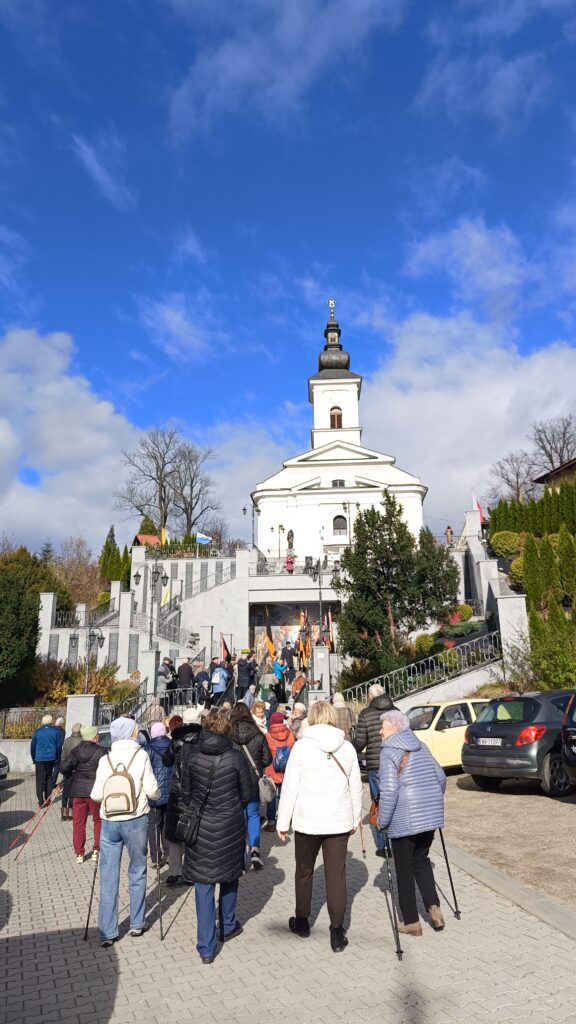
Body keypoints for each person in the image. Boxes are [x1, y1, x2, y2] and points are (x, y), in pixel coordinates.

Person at [277, 701, 362, 953]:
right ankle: (336, 932)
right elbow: (355, 786)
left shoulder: (301, 747)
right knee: (336, 877)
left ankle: (302, 922)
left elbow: (290, 787)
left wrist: (283, 822)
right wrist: (356, 817)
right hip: (338, 820)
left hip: (307, 820)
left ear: (312, 719)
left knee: (304, 872)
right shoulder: (346, 748)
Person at [180, 710, 253, 963]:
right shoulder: (235, 757)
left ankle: (206, 946)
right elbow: (247, 793)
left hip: (201, 825)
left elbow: (186, 794)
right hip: (229, 825)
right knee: (230, 875)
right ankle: (228, 924)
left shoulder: (192, 755)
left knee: (203, 883)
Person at [91, 717, 160, 948]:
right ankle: (137, 923)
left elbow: (96, 795)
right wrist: (157, 797)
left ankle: (107, 931)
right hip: (136, 818)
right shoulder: (141, 756)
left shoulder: (105, 759)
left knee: (108, 875)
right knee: (137, 870)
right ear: (131, 733)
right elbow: (151, 789)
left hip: (109, 820)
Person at [377, 709, 447, 936]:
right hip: (429, 815)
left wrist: (382, 821)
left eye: (383, 727)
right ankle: (434, 909)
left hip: (404, 818)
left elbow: (388, 790)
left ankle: (411, 922)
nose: (380, 731)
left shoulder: (388, 751)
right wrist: (432, 802)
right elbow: (441, 778)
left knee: (404, 869)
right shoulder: (421, 746)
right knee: (422, 860)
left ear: (395, 729)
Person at [353, 683, 397, 857]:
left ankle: (383, 846)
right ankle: (398, 841)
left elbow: (360, 742)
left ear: (370, 697)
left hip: (376, 764)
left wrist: (350, 749)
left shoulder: (366, 713)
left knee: (378, 803)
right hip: (395, 763)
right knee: (395, 800)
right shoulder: (397, 711)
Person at [229, 702, 272, 870]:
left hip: (234, 781)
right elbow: (267, 759)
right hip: (253, 780)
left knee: (238, 819)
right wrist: (258, 767)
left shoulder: (229, 734)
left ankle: (240, 857)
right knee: (253, 815)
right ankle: (255, 850)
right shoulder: (258, 734)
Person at [163, 708, 202, 884]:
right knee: (194, 830)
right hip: (197, 789)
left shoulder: (176, 738)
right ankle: (190, 871)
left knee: (175, 830)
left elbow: (167, 760)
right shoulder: (203, 737)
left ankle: (174, 871)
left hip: (177, 789)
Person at [60, 725, 106, 863]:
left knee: (78, 823)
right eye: (97, 735)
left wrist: (72, 770)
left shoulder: (75, 751)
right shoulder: (102, 751)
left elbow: (63, 768)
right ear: (94, 737)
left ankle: (79, 853)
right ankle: (96, 850)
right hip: (95, 791)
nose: (98, 737)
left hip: (78, 791)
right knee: (98, 820)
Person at [145, 722, 173, 867]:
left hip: (154, 793)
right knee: (167, 823)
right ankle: (168, 853)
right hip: (170, 792)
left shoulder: (148, 749)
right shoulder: (172, 746)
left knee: (153, 825)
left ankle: (156, 857)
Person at [263, 711, 295, 831]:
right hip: (287, 768)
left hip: (272, 768)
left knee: (271, 796)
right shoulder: (290, 734)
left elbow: (265, 752)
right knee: (285, 796)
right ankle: (284, 821)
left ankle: (271, 822)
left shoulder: (267, 735)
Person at [30, 714, 64, 807]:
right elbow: (58, 746)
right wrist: (57, 757)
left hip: (39, 758)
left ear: (43, 721)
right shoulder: (55, 731)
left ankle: (41, 801)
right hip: (51, 758)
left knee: (39, 779)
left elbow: (32, 747)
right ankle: (48, 799)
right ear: (51, 721)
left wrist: (34, 758)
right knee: (49, 777)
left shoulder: (37, 732)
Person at [59, 723, 83, 821]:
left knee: (66, 791)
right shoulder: (81, 741)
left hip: (67, 768)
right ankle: (71, 813)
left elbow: (63, 755)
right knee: (73, 792)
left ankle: (64, 814)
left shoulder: (67, 740)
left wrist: (64, 767)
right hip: (77, 769)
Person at [51, 717, 66, 787]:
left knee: (48, 768)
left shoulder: (50, 729)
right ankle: (52, 783)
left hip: (49, 751)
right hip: (57, 752)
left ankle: (45, 784)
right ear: (61, 723)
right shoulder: (62, 731)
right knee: (56, 768)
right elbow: (61, 743)